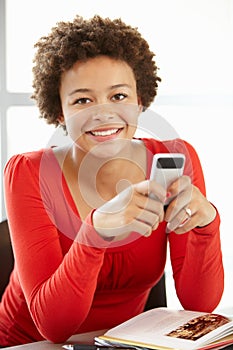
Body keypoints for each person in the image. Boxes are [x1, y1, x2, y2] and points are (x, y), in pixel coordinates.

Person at [0, 15, 224, 347]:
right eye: (82, 100)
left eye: (118, 96)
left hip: (119, 344)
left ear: (140, 100)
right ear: (60, 111)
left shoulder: (178, 157)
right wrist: (95, 233)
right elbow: (54, 328)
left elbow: (199, 306)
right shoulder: (28, 172)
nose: (102, 113)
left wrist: (207, 227)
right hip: (28, 344)